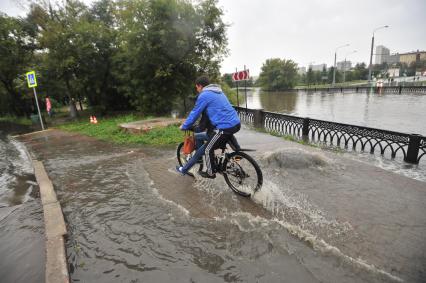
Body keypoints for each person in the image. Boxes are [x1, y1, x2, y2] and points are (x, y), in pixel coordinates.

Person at [176, 76, 241, 178]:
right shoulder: (219, 92)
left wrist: (184, 126)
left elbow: (194, 113)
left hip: (224, 128)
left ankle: (211, 172)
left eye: (196, 87)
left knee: (207, 150)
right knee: (201, 137)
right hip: (236, 123)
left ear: (199, 86)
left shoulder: (204, 95)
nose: (197, 90)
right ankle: (237, 156)